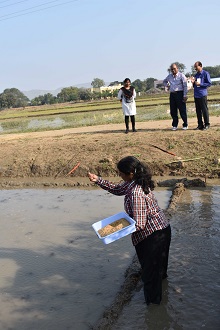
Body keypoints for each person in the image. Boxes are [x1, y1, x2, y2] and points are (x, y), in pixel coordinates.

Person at [88, 156, 171, 305]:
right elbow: (117, 189)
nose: (119, 176)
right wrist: (98, 180)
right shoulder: (133, 182)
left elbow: (139, 224)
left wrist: (113, 230)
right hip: (161, 229)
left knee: (151, 277)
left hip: (153, 236)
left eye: (120, 173)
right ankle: (161, 292)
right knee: (158, 270)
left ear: (130, 173)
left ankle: (154, 310)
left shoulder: (136, 193)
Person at [163, 63, 188, 130]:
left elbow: (185, 86)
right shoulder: (169, 76)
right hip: (172, 94)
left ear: (177, 68)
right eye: (172, 69)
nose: (173, 70)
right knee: (173, 110)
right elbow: (164, 81)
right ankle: (175, 125)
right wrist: (167, 86)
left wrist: (185, 95)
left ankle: (185, 124)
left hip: (180, 93)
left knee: (182, 110)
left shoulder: (181, 75)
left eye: (174, 69)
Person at [191, 61, 212, 130]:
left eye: (196, 67)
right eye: (195, 67)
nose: (195, 68)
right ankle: (200, 124)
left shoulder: (205, 73)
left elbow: (209, 83)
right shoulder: (196, 75)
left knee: (204, 110)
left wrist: (200, 84)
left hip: (202, 94)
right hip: (196, 95)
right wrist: (193, 82)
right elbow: (194, 85)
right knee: (198, 111)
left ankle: (207, 124)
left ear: (200, 66)